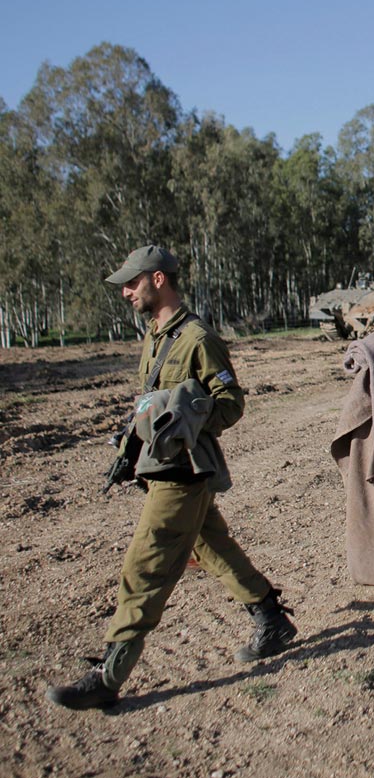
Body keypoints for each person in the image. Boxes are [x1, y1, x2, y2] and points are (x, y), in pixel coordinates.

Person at [47, 246, 296, 711]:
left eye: (132, 282)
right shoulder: (157, 335)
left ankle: (109, 675)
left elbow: (231, 404)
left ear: (158, 279)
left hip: (182, 473)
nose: (126, 292)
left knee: (145, 567)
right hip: (162, 468)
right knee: (212, 547)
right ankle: (271, 619)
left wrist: (186, 418)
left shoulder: (197, 338)